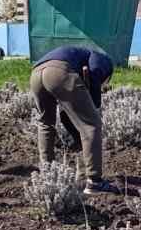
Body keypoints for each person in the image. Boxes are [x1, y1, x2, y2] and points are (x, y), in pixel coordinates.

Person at [29, 44, 117, 195]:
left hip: (36, 74)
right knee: (91, 125)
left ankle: (47, 174)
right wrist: (95, 108)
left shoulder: (80, 57)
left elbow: (68, 113)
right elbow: (95, 75)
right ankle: (95, 182)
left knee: (45, 124)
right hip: (59, 72)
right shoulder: (105, 61)